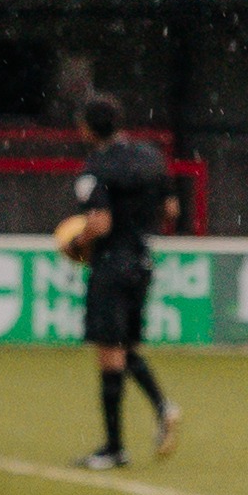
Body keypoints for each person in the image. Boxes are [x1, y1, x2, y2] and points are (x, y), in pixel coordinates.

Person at [65, 96, 181, 466]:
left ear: (87, 128)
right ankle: (163, 407)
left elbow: (100, 223)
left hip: (112, 265)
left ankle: (114, 448)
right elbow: (171, 210)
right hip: (141, 261)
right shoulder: (150, 157)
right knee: (125, 348)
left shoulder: (96, 167)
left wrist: (76, 244)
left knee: (109, 353)